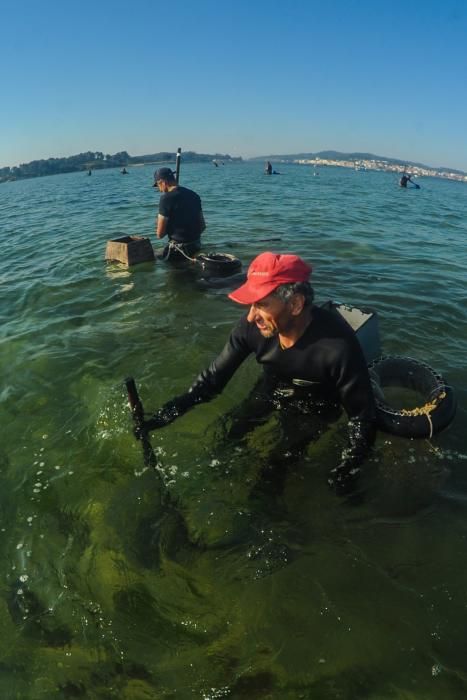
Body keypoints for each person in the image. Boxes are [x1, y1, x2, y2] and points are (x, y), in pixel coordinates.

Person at [138, 252, 376, 495]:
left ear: (295, 304)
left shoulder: (338, 347)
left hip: (316, 406)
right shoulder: (249, 328)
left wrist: (349, 467)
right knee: (229, 437)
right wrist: (164, 415)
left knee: (274, 469)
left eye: (261, 304)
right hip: (271, 389)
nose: (251, 316)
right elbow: (212, 381)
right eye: (252, 304)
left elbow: (362, 417)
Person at [153, 167, 206, 260]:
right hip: (196, 245)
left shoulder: (165, 199)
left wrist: (159, 224)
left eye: (158, 185)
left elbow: (159, 235)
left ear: (163, 182)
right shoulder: (194, 195)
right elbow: (202, 226)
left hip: (179, 251)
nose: (159, 190)